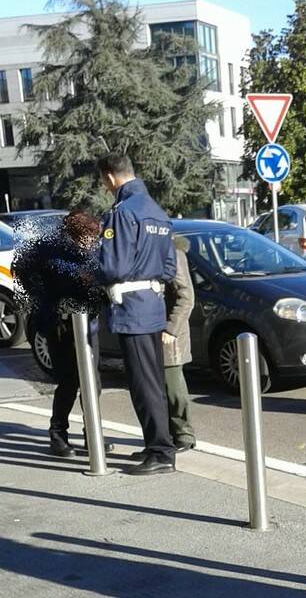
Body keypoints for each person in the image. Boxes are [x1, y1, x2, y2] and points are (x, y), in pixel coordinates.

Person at [97, 152, 177, 475]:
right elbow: (169, 268)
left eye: (104, 182)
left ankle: (161, 452)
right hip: (153, 306)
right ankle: (156, 444)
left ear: (110, 178)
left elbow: (113, 265)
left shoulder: (122, 213)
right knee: (153, 380)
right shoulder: (157, 212)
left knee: (142, 382)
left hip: (132, 310)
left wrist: (94, 266)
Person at [12, 211, 113, 457]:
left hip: (87, 325)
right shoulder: (51, 252)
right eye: (87, 238)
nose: (91, 243)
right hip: (61, 326)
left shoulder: (89, 252)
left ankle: (93, 436)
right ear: (74, 236)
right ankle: (58, 435)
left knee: (93, 383)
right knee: (69, 381)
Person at [162, 234, 196, 451]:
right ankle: (167, 435)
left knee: (174, 387)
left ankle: (184, 435)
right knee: (161, 388)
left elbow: (186, 297)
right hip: (155, 329)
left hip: (168, 334)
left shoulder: (173, 251)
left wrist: (171, 329)